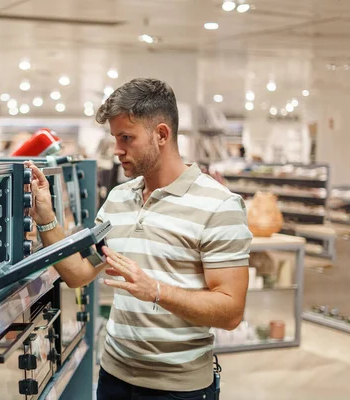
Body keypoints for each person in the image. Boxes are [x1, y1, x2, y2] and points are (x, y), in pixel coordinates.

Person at [25, 78, 252, 400]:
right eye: (116, 138)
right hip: (113, 376)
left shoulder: (219, 205)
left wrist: (157, 291)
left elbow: (230, 312)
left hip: (177, 389)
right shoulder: (118, 199)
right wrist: (46, 217)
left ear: (161, 134)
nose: (117, 150)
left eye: (127, 138)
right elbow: (78, 274)